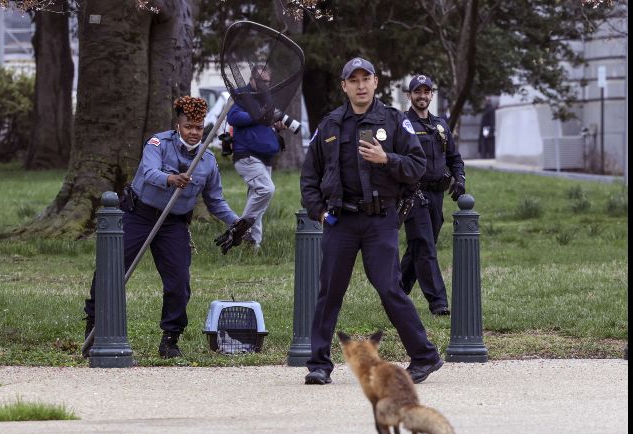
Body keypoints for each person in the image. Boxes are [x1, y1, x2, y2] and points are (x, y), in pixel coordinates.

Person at [299, 57, 444, 385]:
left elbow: (417, 165)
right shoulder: (331, 124)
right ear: (344, 86)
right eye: (354, 80)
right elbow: (310, 175)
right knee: (329, 292)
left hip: (380, 220)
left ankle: (425, 356)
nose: (361, 85)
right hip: (341, 221)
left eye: (367, 79)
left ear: (376, 83)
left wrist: (386, 158)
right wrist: (319, 212)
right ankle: (319, 365)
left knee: (389, 287)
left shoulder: (393, 121)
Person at [82, 96, 251, 359]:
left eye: (198, 127)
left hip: (173, 223)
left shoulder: (207, 161)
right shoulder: (158, 143)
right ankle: (95, 328)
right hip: (138, 215)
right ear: (177, 126)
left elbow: (215, 200)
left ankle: (170, 339)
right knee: (110, 270)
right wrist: (171, 178)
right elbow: (149, 172)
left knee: (179, 281)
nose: (194, 133)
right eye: (188, 127)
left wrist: (237, 222)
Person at [400, 74, 466, 316]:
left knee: (419, 246)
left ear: (431, 95)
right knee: (425, 246)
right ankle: (438, 302)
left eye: (426, 92)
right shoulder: (402, 125)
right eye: (417, 92)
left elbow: (454, 158)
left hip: (436, 195)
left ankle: (396, 290)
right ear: (409, 95)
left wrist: (459, 178)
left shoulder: (440, 125)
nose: (422, 96)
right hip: (413, 195)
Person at [226, 65, 287, 249]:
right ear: (252, 79)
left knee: (259, 199)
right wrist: (258, 115)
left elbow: (263, 125)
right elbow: (233, 117)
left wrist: (276, 127)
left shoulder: (266, 97)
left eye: (267, 82)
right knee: (266, 189)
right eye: (261, 81)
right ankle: (239, 230)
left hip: (265, 156)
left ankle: (253, 244)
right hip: (246, 154)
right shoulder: (242, 95)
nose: (264, 85)